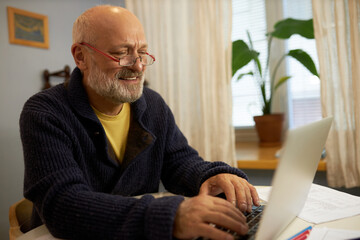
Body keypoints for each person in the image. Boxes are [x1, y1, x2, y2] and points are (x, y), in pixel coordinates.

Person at [19, 5, 259, 240]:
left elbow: (179, 162)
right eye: (121, 53)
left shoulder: (153, 104)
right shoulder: (44, 112)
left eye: (142, 52)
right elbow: (63, 206)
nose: (139, 65)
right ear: (81, 56)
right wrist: (169, 216)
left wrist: (209, 176)